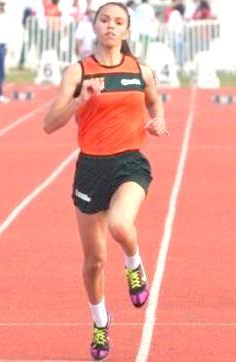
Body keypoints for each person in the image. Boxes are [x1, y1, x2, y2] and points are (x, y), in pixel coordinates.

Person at [43, 2, 168, 359]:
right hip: (91, 168)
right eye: (105, 20)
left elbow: (155, 104)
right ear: (94, 26)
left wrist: (157, 122)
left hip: (130, 163)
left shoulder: (141, 71)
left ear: (127, 31)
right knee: (94, 261)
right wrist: (80, 100)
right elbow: (50, 124)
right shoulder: (77, 72)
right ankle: (100, 322)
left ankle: (134, 263)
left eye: (118, 22)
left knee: (120, 224)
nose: (111, 27)